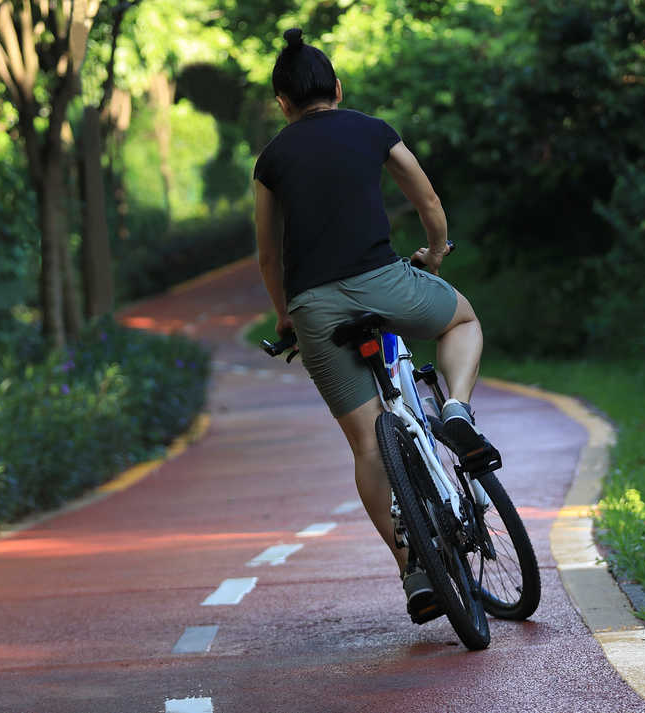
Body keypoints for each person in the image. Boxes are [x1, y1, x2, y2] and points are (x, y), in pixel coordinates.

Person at [252, 28, 490, 623]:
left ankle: (413, 571)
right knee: (462, 321)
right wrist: (435, 254)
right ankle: (456, 408)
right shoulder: (372, 130)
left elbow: (266, 256)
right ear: (337, 87)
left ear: (282, 102)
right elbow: (429, 203)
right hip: (385, 282)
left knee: (367, 443)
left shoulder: (272, 158)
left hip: (314, 307)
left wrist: (286, 317)